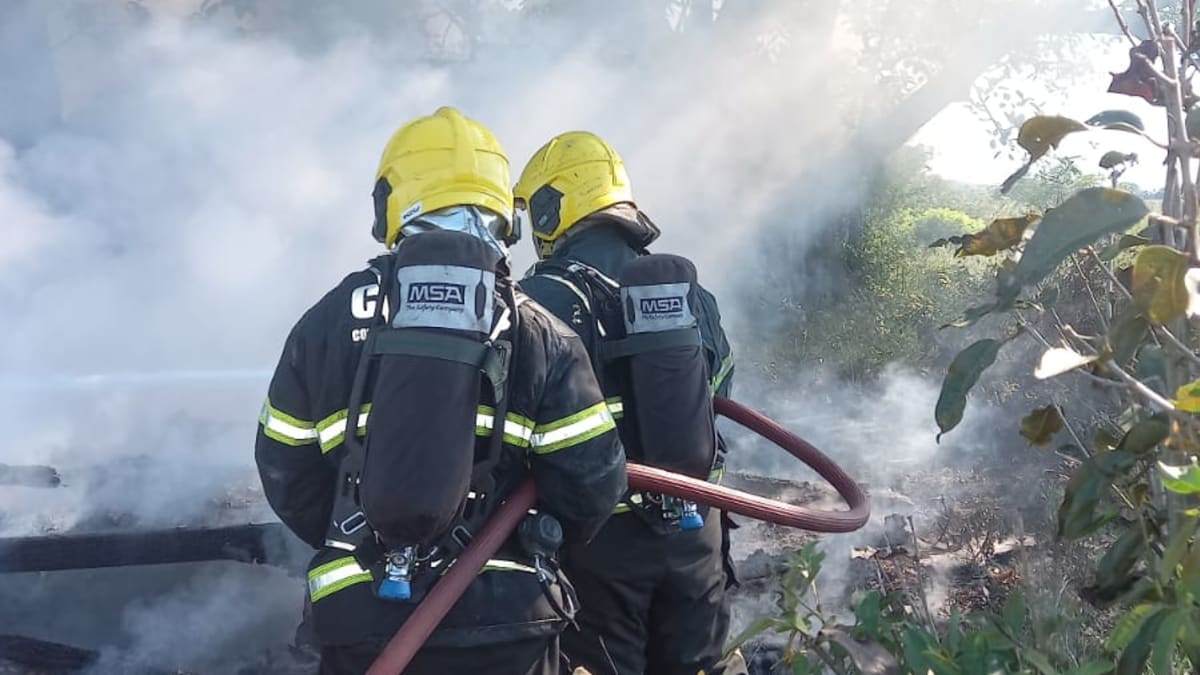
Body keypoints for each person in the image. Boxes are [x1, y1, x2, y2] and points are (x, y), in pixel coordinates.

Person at [254, 107, 626, 675]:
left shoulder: (326, 322)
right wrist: (529, 544)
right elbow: (593, 484)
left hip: (364, 622)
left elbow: (283, 467)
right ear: (503, 209)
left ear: (393, 201)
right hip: (513, 622)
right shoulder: (539, 326)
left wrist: (362, 531)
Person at [514, 131, 743, 675]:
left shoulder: (539, 299)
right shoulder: (691, 296)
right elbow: (720, 397)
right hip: (696, 529)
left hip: (599, 542)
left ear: (553, 206)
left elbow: (515, 433)